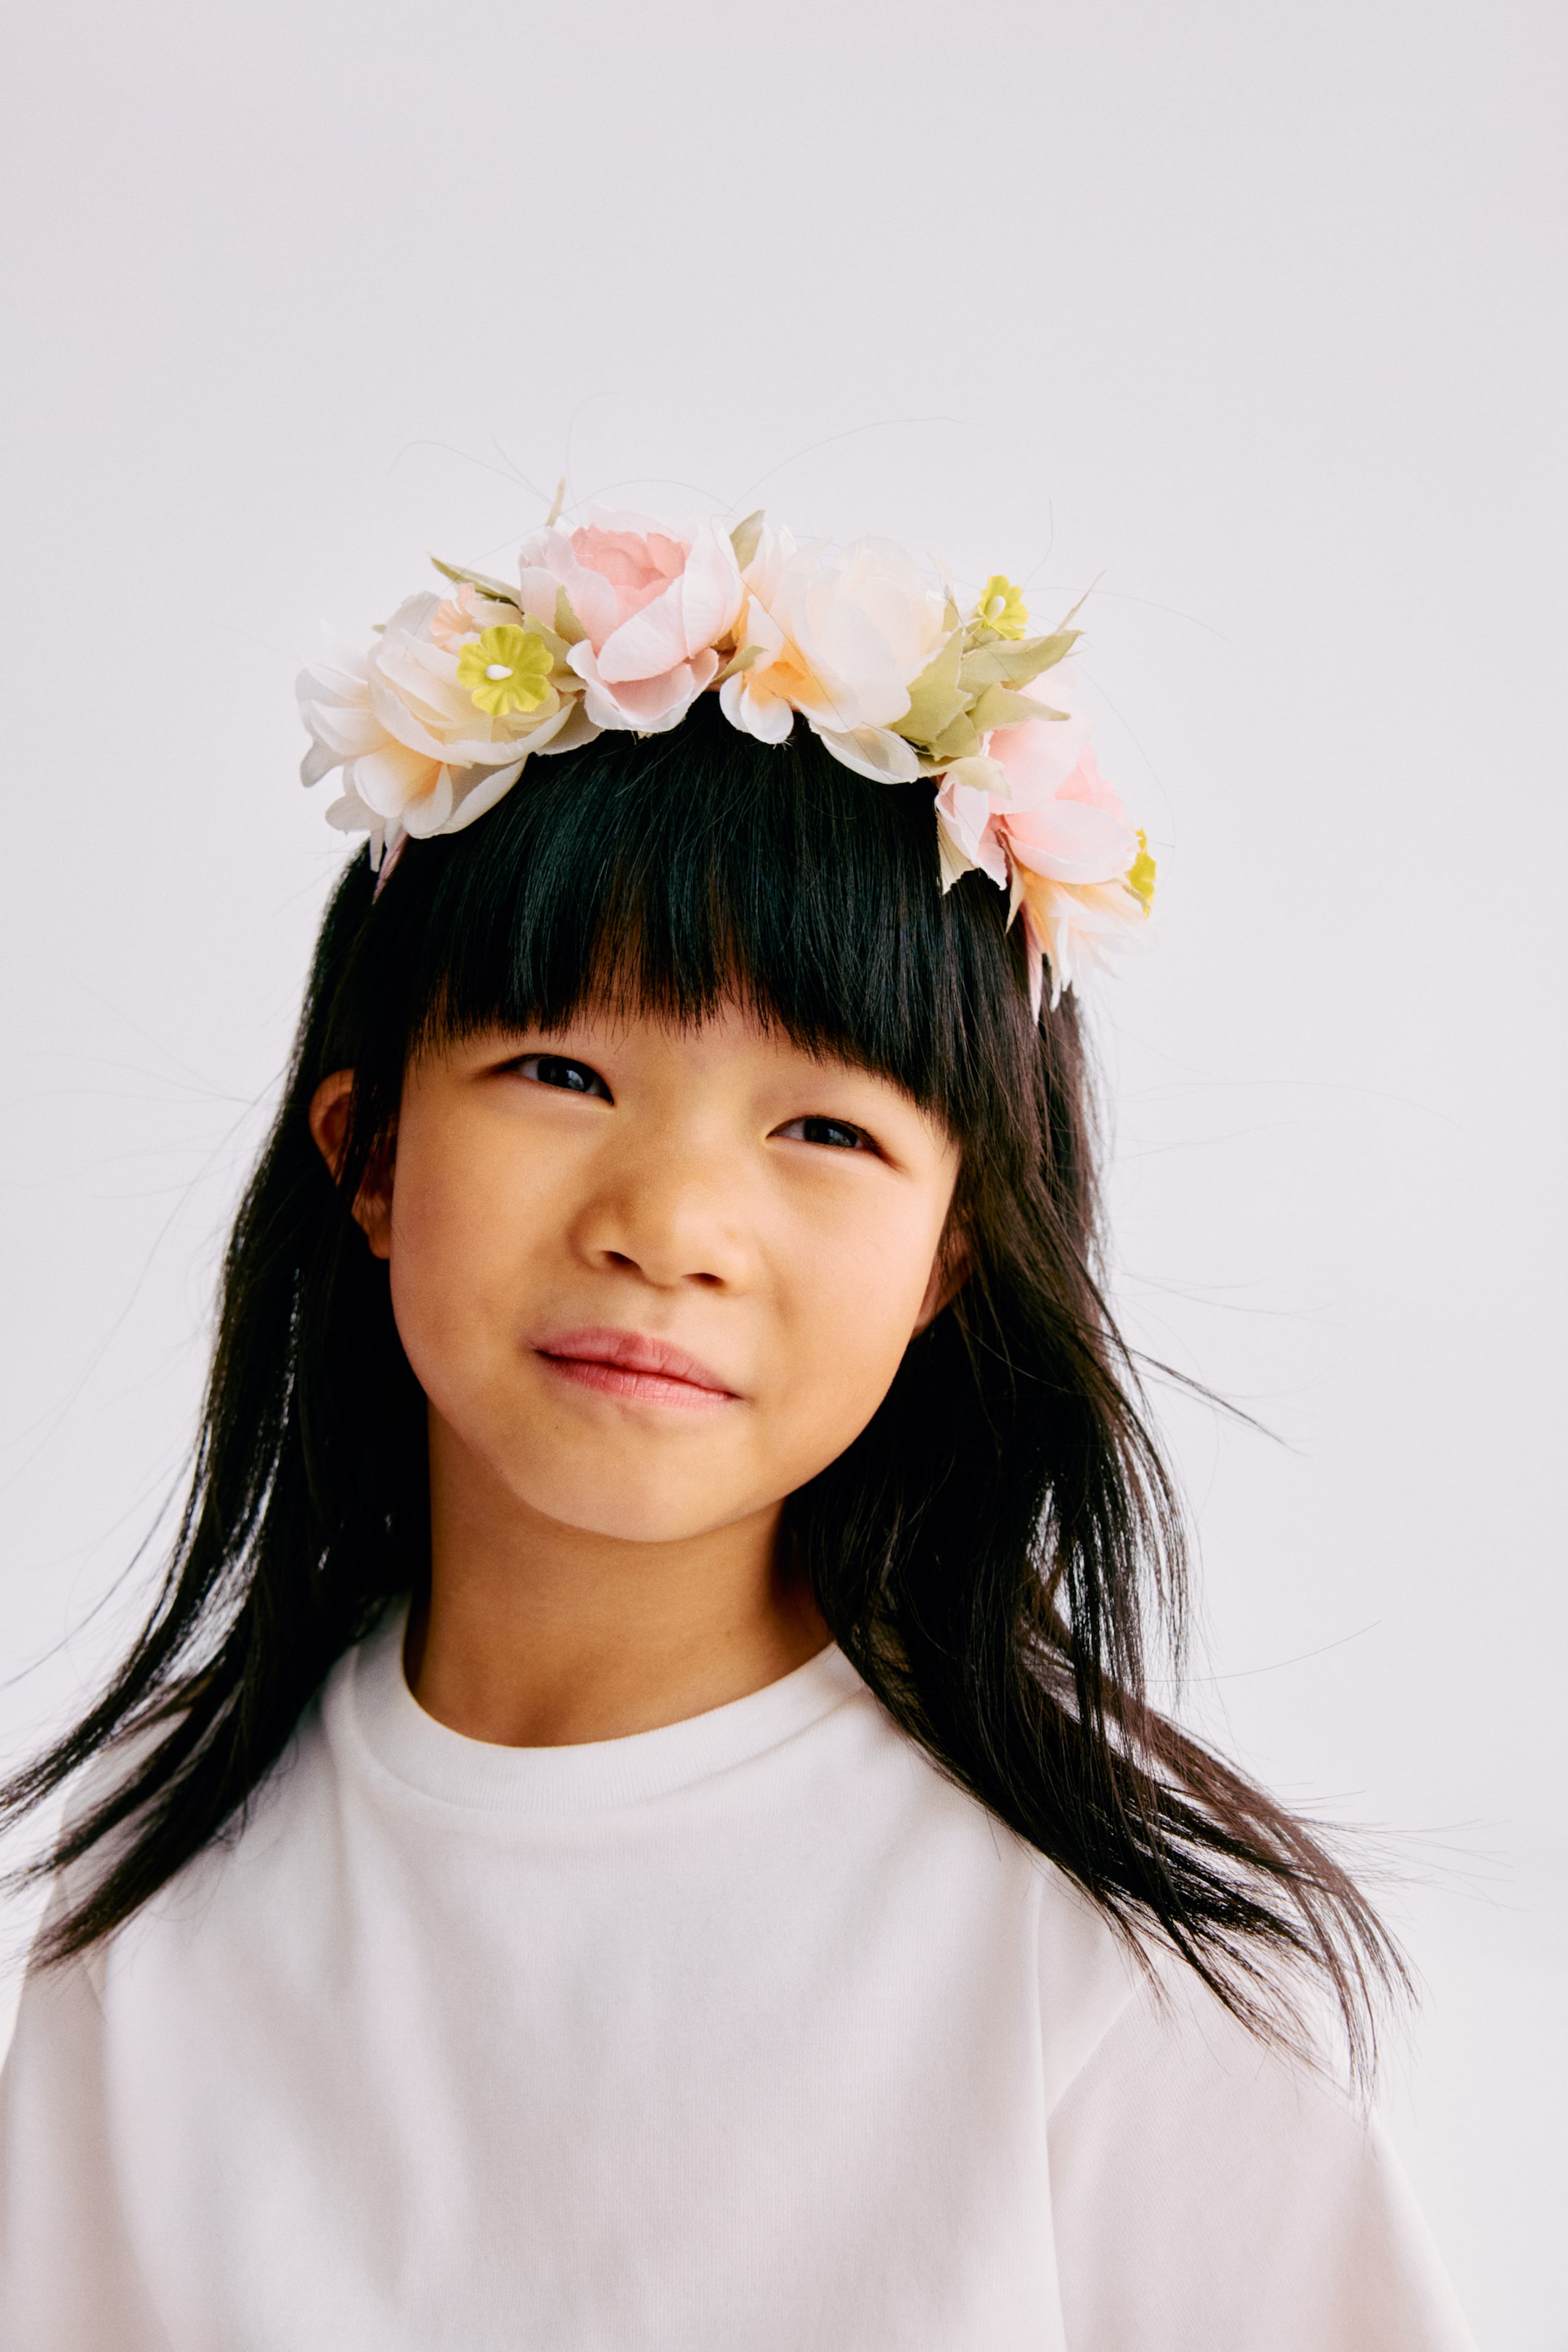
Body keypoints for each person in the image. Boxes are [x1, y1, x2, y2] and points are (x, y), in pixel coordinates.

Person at [0, 509, 1475, 2348]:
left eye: (825, 1131)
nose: (672, 1225)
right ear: (369, 1156)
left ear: (949, 1258)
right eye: (561, 1069)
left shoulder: (1109, 1974)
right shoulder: (152, 1895)